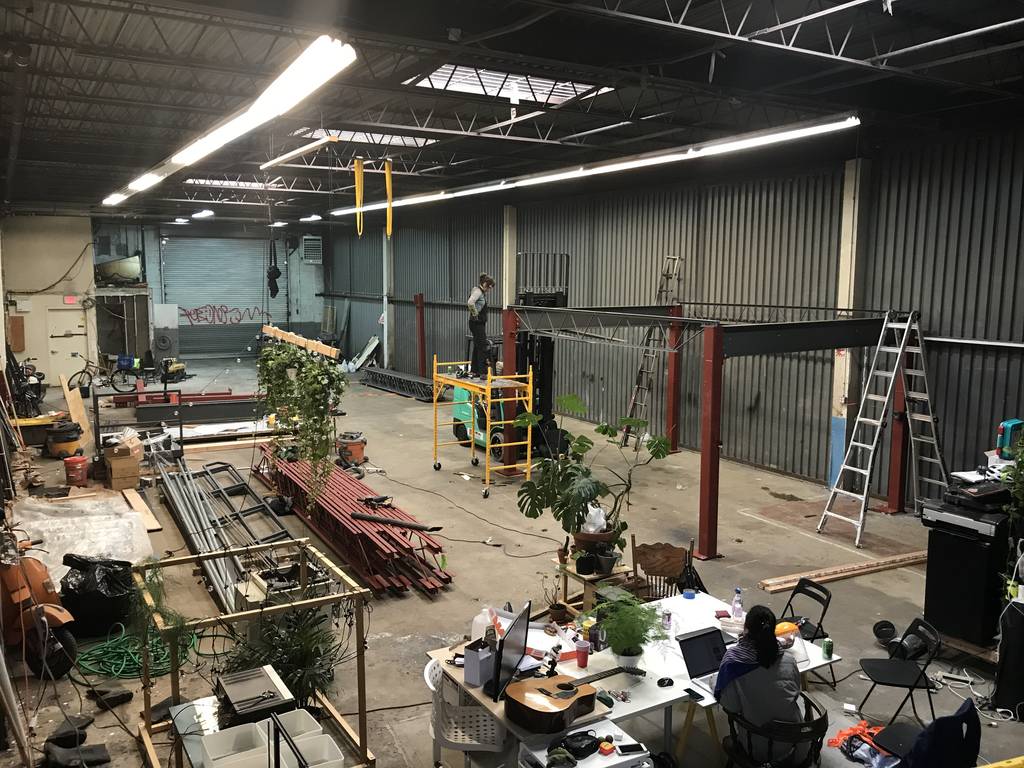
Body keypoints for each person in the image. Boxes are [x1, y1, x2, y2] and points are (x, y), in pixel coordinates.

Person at [714, 605, 805, 764]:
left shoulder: (734, 662)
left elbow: (732, 707)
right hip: (795, 742)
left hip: (760, 748)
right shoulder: (789, 660)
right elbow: (795, 690)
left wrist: (715, 680)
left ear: (746, 629)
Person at [466, 272, 495, 379]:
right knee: (482, 346)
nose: (489, 289)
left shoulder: (480, 292)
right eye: (489, 286)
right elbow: (470, 302)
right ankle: (483, 373)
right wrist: (475, 314)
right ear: (483, 284)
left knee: (478, 346)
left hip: (478, 323)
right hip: (476, 323)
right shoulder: (477, 292)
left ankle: (475, 370)